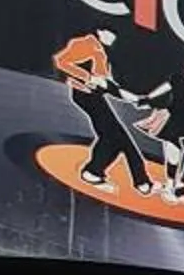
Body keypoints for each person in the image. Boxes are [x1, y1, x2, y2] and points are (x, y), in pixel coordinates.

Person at [53, 28, 150, 194]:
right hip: (85, 94)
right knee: (115, 136)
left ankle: (140, 180)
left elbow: (105, 83)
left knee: (114, 137)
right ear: (101, 31)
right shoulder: (85, 44)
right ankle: (95, 173)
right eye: (113, 34)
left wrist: (134, 98)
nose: (115, 39)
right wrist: (88, 77)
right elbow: (61, 61)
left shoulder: (102, 51)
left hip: (95, 95)